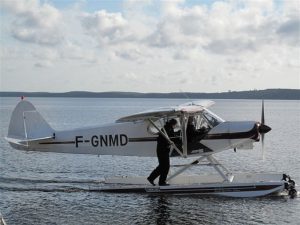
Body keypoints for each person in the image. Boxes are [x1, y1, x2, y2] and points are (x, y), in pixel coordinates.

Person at [147, 119, 178, 186]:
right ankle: (160, 181)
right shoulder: (167, 129)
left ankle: (153, 178)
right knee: (165, 166)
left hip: (163, 150)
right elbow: (164, 139)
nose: (175, 126)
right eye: (175, 125)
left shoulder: (167, 128)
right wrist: (170, 142)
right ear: (173, 124)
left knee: (163, 166)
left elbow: (170, 136)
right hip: (162, 150)